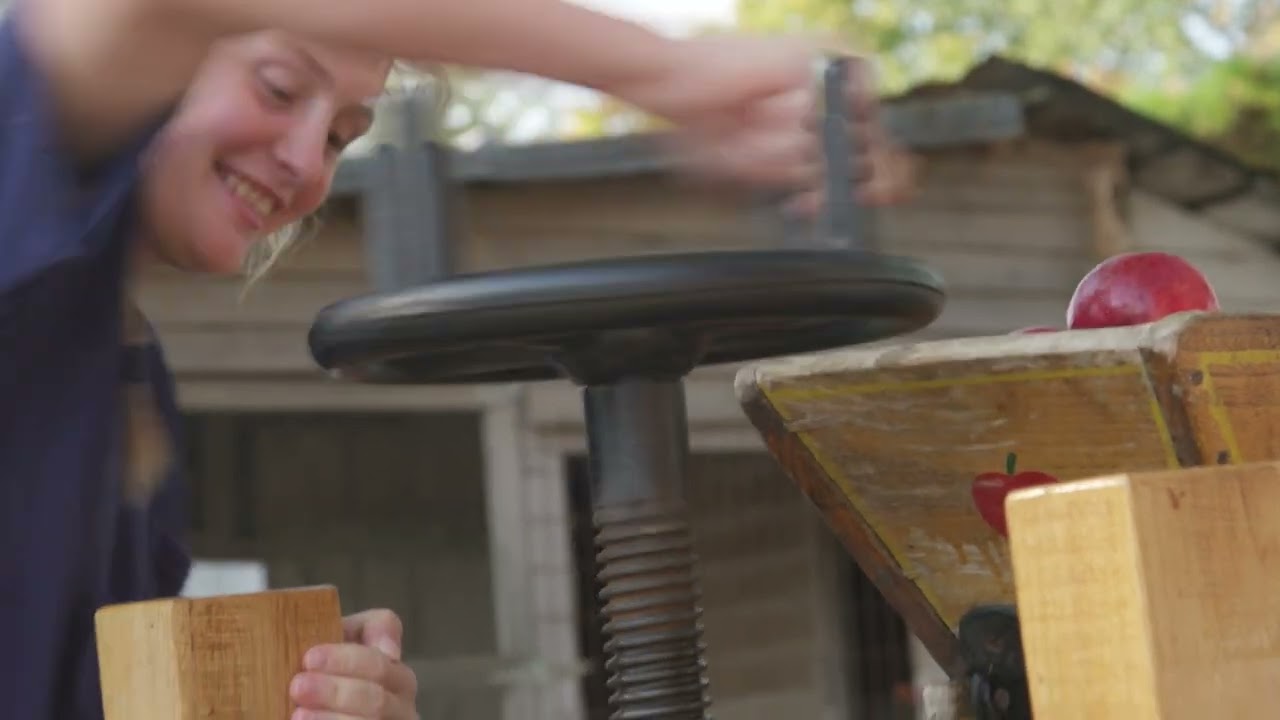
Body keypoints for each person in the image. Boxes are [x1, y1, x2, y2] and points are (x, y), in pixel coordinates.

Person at [0, 0, 916, 718]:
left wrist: (287, 688)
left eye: (339, 137)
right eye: (279, 88)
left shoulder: (125, 383)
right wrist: (669, 72)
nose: (300, 161)